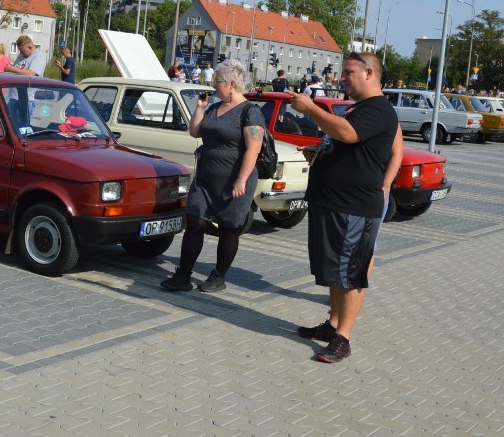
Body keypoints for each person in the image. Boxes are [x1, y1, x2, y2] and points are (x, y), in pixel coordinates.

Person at [288, 52, 398, 363]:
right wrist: (320, 151)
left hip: (355, 206)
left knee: (350, 273)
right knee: (335, 270)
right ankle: (332, 324)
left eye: (349, 72)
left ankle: (343, 338)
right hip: (332, 201)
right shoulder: (357, 108)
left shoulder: (379, 109)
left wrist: (311, 109)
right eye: (343, 72)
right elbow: (344, 140)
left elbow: (349, 134)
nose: (343, 78)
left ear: (369, 74)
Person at [161, 59, 264, 293]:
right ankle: (183, 275)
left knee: (229, 227)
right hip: (206, 179)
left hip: (234, 180)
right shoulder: (214, 108)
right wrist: (199, 107)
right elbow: (195, 131)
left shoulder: (250, 112)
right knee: (195, 221)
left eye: (217, 81)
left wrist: (241, 180)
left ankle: (219, 276)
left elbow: (254, 149)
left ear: (232, 84)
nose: (212, 85)